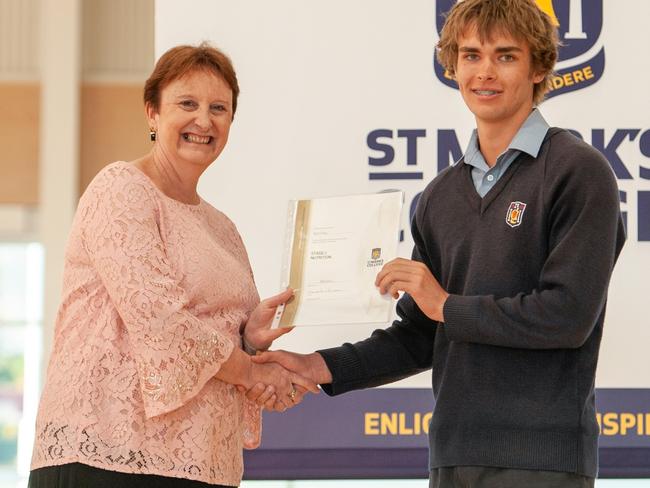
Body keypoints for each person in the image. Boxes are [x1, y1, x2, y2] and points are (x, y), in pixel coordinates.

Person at [252, 0, 626, 486]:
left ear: (538, 67)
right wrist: (316, 366)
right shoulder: (439, 197)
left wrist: (446, 304)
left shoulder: (579, 172)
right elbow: (418, 336)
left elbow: (567, 316)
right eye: (471, 55)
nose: (485, 72)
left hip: (544, 460)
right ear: (452, 67)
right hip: (451, 456)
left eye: (506, 56)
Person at [28, 43, 318, 488]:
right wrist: (253, 372)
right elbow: (163, 322)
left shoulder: (223, 227)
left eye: (218, 108)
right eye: (187, 103)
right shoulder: (121, 189)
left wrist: (250, 338)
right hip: (108, 456)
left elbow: (209, 336)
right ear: (152, 113)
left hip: (202, 462)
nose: (204, 120)